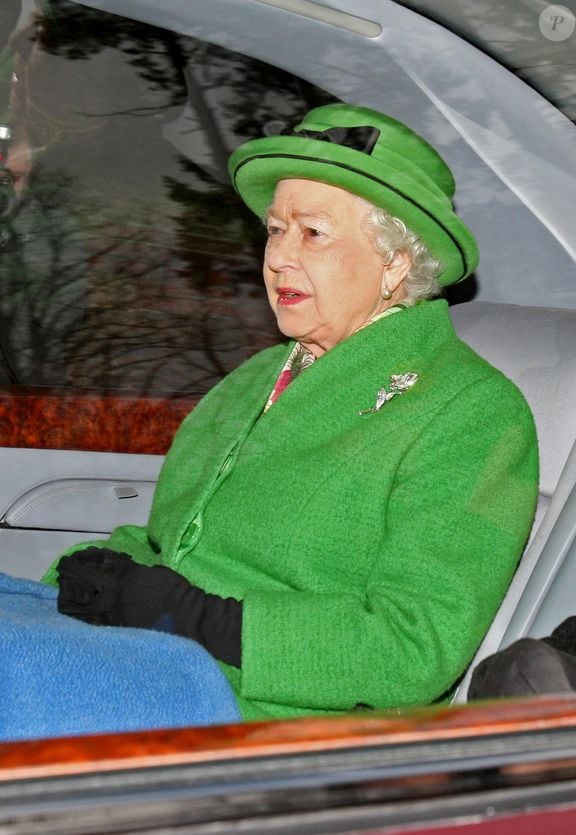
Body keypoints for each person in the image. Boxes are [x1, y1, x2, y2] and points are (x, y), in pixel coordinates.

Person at [45, 103, 539, 722]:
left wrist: (194, 618)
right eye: (276, 230)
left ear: (396, 263)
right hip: (148, 664)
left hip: (269, 722)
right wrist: (84, 577)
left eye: (313, 232)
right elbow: (169, 546)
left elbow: (414, 648)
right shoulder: (255, 378)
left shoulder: (472, 412)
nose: (278, 257)